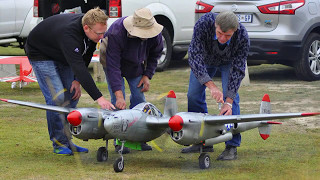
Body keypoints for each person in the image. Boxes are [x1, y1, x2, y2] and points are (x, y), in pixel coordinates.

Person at [25, 7, 115, 155]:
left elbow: (85, 56)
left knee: (72, 95)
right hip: (40, 53)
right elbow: (79, 67)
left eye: (104, 32)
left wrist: (77, 81)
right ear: (86, 28)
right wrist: (99, 98)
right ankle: (59, 143)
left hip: (61, 52)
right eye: (99, 33)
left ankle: (68, 141)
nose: (102, 37)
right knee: (58, 98)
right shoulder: (70, 35)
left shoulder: (92, 31)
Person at [181, 11, 250, 161]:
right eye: (219, 33)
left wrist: (228, 101)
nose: (222, 39)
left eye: (228, 36)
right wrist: (211, 86)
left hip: (229, 62)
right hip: (204, 59)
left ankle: (232, 146)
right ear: (215, 26)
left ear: (235, 31)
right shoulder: (203, 24)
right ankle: (201, 140)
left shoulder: (242, 36)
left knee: (231, 98)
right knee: (193, 95)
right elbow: (194, 57)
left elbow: (238, 69)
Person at [100, 8, 163, 153]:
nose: (146, 35)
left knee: (140, 99)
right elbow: (113, 65)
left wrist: (147, 75)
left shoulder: (156, 34)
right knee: (118, 103)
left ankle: (139, 138)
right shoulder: (116, 32)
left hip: (136, 65)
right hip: (112, 63)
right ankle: (118, 139)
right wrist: (119, 96)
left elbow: (155, 54)